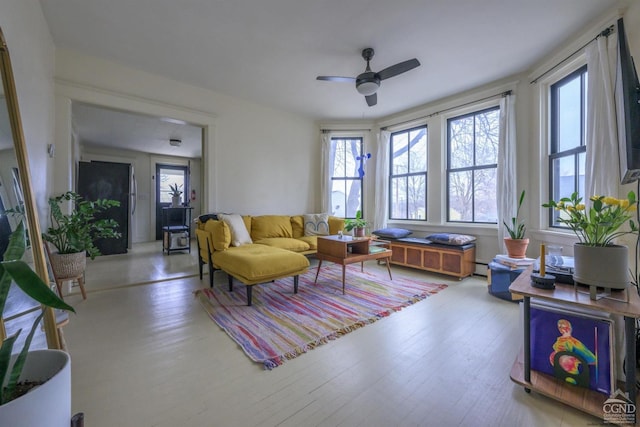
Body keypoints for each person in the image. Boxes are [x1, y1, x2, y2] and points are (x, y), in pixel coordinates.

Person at [549, 319, 596, 384]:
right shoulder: (573, 342)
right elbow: (592, 360)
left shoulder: (558, 343)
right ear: (570, 329)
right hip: (572, 379)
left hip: (559, 377)